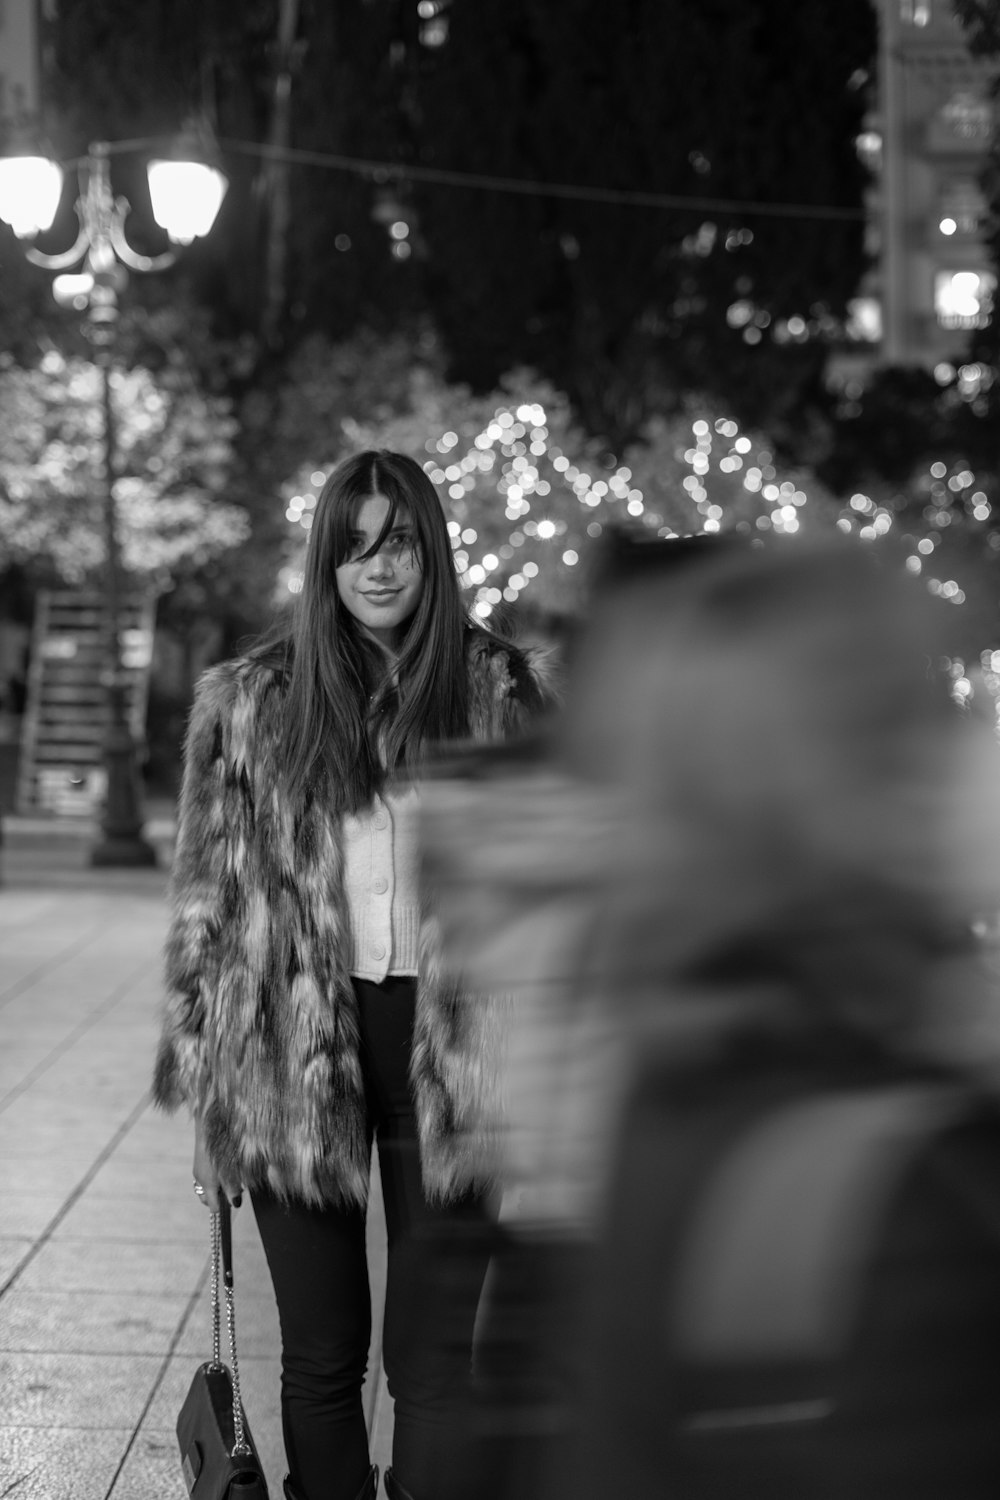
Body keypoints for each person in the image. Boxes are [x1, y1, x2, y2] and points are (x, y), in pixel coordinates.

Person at [152, 449, 555, 1500]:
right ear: (326, 559)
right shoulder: (252, 703)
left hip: (453, 1054)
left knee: (430, 1360)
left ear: (432, 552)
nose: (377, 568)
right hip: (291, 1051)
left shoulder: (498, 691)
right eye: (354, 545)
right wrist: (210, 1102)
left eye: (400, 543)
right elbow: (209, 913)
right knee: (321, 1354)